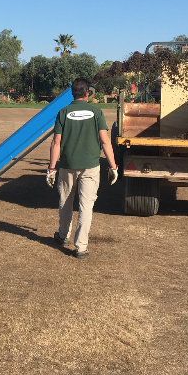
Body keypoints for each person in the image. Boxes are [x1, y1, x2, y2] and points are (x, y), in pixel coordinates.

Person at [46, 78, 119, 259]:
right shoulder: (96, 112)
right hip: (90, 166)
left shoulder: (63, 112)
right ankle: (81, 247)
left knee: (65, 202)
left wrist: (51, 168)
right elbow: (105, 141)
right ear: (87, 93)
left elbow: (56, 143)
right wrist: (113, 165)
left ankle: (63, 236)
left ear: (73, 92)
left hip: (67, 165)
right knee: (86, 206)